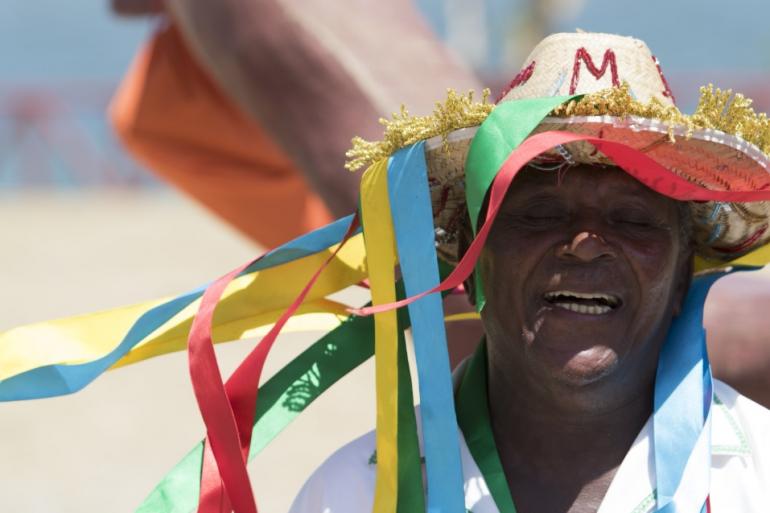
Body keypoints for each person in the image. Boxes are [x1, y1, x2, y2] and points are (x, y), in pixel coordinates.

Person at [288, 32, 770, 512]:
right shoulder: (350, 494)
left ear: (682, 275)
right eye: (541, 214)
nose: (586, 246)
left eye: (632, 220)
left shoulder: (757, 477)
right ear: (471, 262)